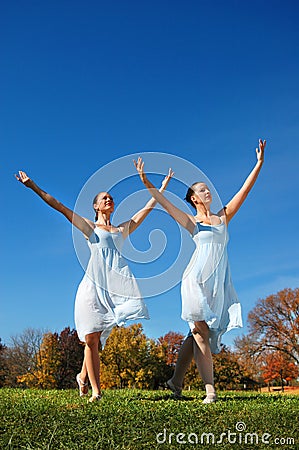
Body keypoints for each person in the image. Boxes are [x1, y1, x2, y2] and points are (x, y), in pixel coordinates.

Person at [15, 167, 173, 402]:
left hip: (114, 290)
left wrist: (160, 189)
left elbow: (146, 210)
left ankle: (82, 377)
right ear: (96, 207)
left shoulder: (120, 230)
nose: (109, 199)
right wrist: (34, 186)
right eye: (103, 198)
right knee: (91, 338)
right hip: (92, 287)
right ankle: (96, 391)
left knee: (96, 342)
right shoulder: (90, 227)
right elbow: (58, 206)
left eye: (110, 197)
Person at [134, 139, 266, 403]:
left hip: (216, 283)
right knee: (199, 333)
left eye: (208, 189)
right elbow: (165, 203)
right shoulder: (191, 221)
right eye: (203, 190)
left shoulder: (223, 217)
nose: (209, 192)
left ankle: (175, 381)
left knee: (195, 333)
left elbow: (244, 190)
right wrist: (147, 182)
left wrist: (259, 164)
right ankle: (210, 391)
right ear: (193, 198)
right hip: (194, 280)